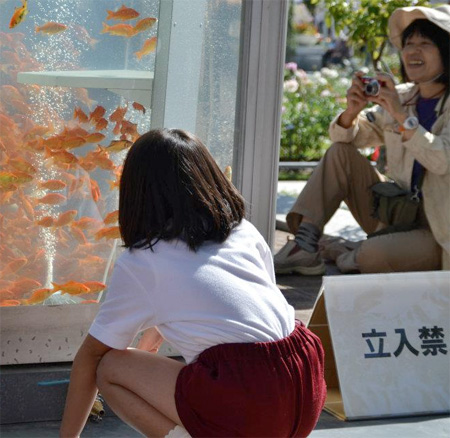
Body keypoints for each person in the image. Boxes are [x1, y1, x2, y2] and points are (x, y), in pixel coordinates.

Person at [60, 129, 326, 438]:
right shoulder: (243, 231)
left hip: (252, 401)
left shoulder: (143, 262)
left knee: (109, 369)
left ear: (137, 192)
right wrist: (147, 350)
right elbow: (228, 302)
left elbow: (91, 357)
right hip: (305, 382)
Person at [274, 5, 450, 275]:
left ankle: (342, 250)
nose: (413, 51)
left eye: (425, 43)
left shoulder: (405, 105)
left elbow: (441, 160)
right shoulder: (402, 96)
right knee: (339, 153)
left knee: (372, 257)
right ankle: (305, 246)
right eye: (408, 44)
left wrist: (402, 117)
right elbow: (345, 138)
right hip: (396, 214)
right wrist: (351, 111)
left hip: (437, 233)